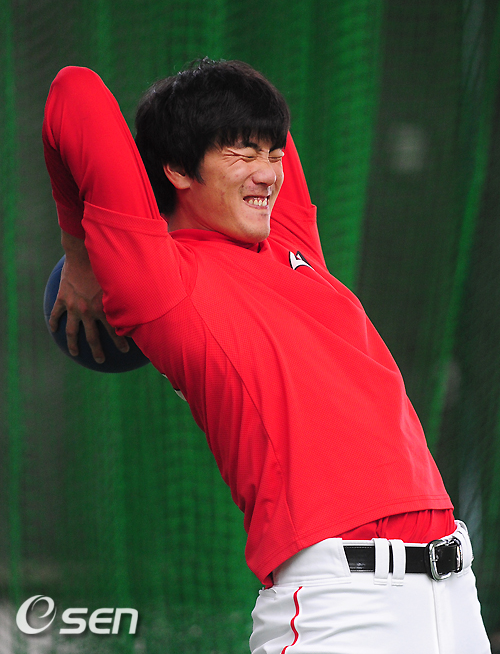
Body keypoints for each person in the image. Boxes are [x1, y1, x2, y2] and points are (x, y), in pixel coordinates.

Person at [42, 59, 491, 653]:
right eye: (241, 154)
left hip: (452, 594)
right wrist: (78, 251)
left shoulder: (286, 239)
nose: (268, 172)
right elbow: (74, 91)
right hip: (341, 605)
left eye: (272, 154)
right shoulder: (160, 282)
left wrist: (243, 131)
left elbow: (253, 109)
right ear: (176, 168)